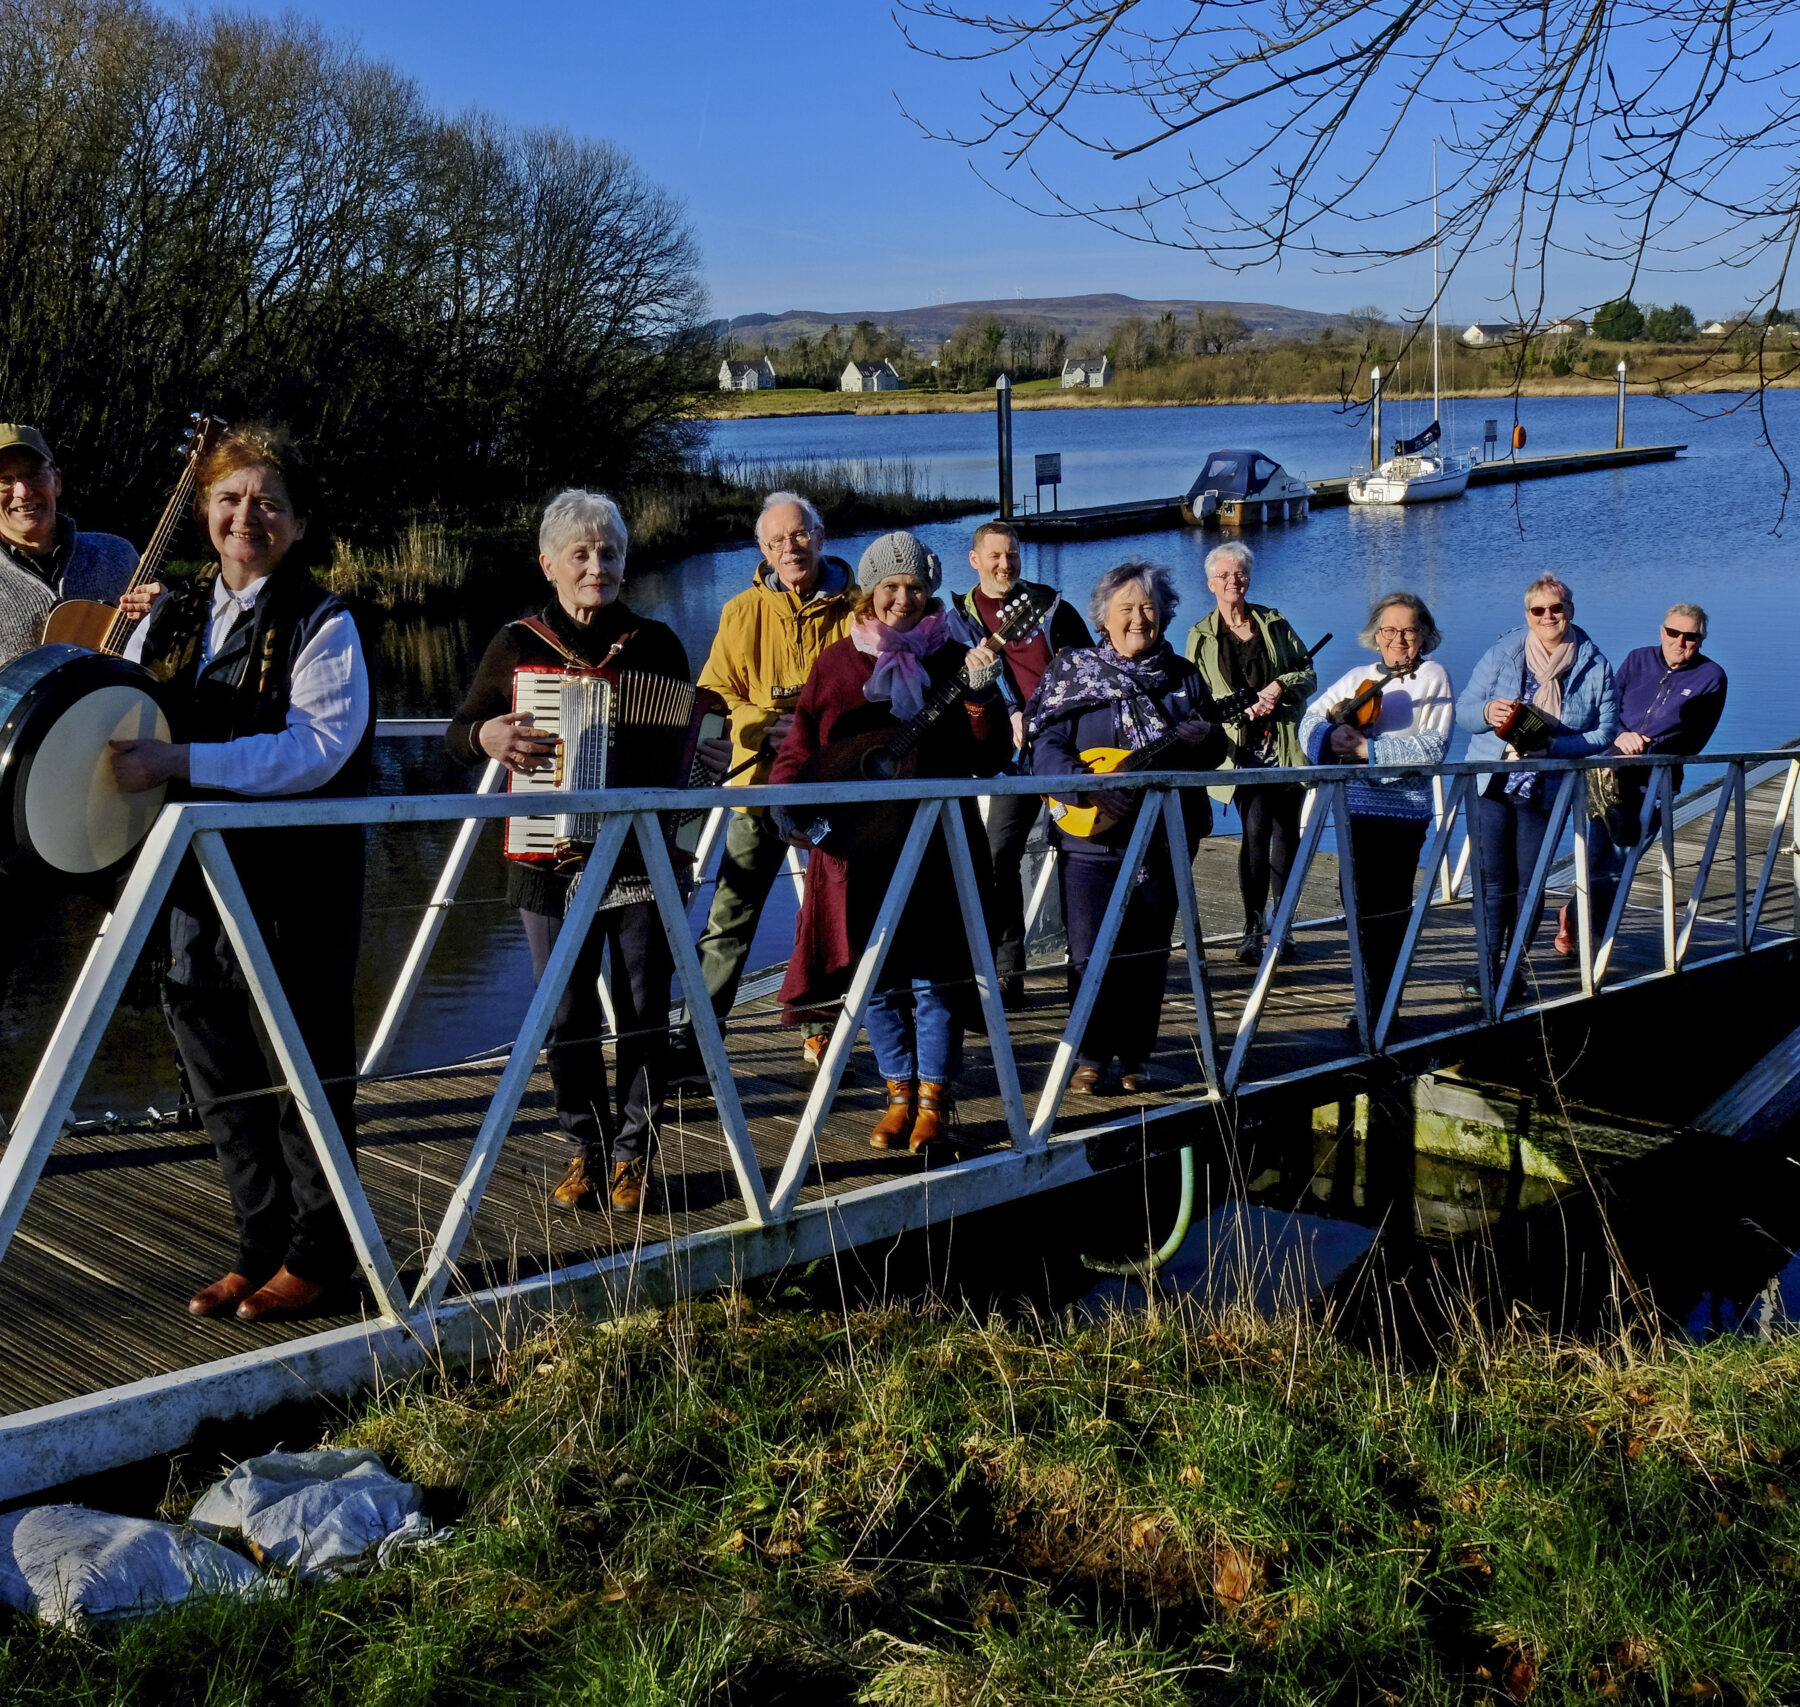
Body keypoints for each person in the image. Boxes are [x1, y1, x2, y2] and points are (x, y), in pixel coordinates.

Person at [110, 423, 372, 1322]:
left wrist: (180, 763)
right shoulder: (171, 612)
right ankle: (259, 1247)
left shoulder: (324, 620)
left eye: (267, 501)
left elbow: (318, 751)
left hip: (295, 887)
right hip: (189, 884)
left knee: (305, 1075)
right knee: (222, 1080)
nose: (244, 516)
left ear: (298, 524)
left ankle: (320, 1259)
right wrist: (119, 630)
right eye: (229, 498)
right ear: (206, 513)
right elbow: (119, 715)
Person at [445, 490, 730, 1215]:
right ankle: (587, 1146)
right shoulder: (519, 644)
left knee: (642, 1003)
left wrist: (707, 754)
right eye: (581, 553)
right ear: (549, 563)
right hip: (547, 860)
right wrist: (490, 738)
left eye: (609, 553)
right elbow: (461, 729)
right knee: (566, 1010)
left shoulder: (656, 643)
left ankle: (635, 1153)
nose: (596, 565)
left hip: (639, 858)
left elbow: (689, 744)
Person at [770, 532, 1008, 1151]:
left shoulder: (957, 658)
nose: (902, 599)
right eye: (890, 587)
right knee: (872, 973)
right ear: (870, 593)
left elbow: (991, 758)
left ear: (930, 592)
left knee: (934, 974)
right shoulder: (838, 663)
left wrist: (981, 696)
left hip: (936, 846)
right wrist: (785, 803)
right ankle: (896, 1091)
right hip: (859, 848)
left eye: (915, 588)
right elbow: (802, 749)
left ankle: (934, 1098)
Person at [1028, 560, 1225, 1095]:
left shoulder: (1184, 677)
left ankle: (1135, 1055)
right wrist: (1087, 788)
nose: (1139, 618)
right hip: (1091, 840)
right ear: (1103, 618)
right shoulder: (1074, 673)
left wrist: (1206, 735)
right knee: (1089, 951)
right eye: (1126, 609)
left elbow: (1214, 752)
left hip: (1164, 838)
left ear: (1164, 614)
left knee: (1148, 950)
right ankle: (1089, 1056)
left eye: (1149, 608)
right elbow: (1043, 749)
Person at [678, 493, 856, 1074]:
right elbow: (713, 696)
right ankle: (701, 1040)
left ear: (821, 536)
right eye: (777, 541)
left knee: (834, 916)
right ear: (762, 550)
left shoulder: (857, 610)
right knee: (729, 916)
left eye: (800, 535)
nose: (790, 548)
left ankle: (823, 1030)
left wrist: (810, 727)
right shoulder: (740, 613)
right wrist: (761, 724)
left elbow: (874, 692)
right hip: (757, 788)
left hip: (832, 788)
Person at [948, 519, 1092, 1005]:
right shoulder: (957, 620)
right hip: (1008, 760)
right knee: (997, 858)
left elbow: (1086, 672)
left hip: (1061, 747)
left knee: (1077, 850)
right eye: (994, 556)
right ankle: (1008, 970)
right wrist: (1006, 708)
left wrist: (1045, 715)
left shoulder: (1052, 608)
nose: (1005, 564)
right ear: (975, 560)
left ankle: (1083, 965)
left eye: (1011, 555)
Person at [1457, 576, 1619, 1000]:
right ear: (1526, 614)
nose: (1549, 617)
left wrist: (1554, 745)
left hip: (1544, 788)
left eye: (1557, 608)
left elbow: (1604, 734)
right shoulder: (1504, 652)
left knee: (1529, 883)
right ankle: (1487, 971)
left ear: (1571, 609)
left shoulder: (1594, 664)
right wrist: (1488, 710)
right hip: (1492, 781)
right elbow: (1465, 712)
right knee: (1493, 882)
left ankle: (1515, 971)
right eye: (1538, 610)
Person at [1297, 593, 1454, 1026]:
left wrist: (1368, 748)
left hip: (1404, 811)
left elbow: (1433, 747)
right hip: (1356, 808)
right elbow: (1308, 721)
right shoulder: (1358, 677)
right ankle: (1367, 996)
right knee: (1358, 904)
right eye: (1390, 630)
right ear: (1376, 635)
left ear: (1424, 636)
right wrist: (1330, 739)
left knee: (1391, 906)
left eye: (1409, 630)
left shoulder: (1433, 677)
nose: (1399, 640)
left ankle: (1385, 1001)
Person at [1557, 602, 1727, 950]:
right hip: (1608, 775)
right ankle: (1582, 928)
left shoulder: (1711, 677)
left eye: (1690, 637)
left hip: (1655, 783)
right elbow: (1607, 710)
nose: (1680, 642)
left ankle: (1586, 931)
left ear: (1701, 639)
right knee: (1598, 858)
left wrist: (1648, 745)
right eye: (1673, 633)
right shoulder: (1637, 659)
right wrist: (1619, 734)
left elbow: (1694, 739)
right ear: (1661, 631)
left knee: (1619, 861)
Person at [1184, 540, 1317, 965]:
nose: (1232, 581)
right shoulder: (1199, 636)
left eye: (1239, 574)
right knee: (1256, 828)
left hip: (1283, 744)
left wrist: (1279, 688)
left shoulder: (1274, 622)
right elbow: (1192, 698)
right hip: (1239, 750)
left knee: (1287, 834)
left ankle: (1285, 924)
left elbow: (1308, 674)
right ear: (1210, 584)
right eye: (1224, 575)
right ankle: (1252, 928)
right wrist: (1241, 707)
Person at [0, 422, 154, 668]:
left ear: (57, 481)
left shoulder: (118, 555)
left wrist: (164, 614)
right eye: (5, 479)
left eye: (34, 474)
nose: (23, 491)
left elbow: (160, 656)